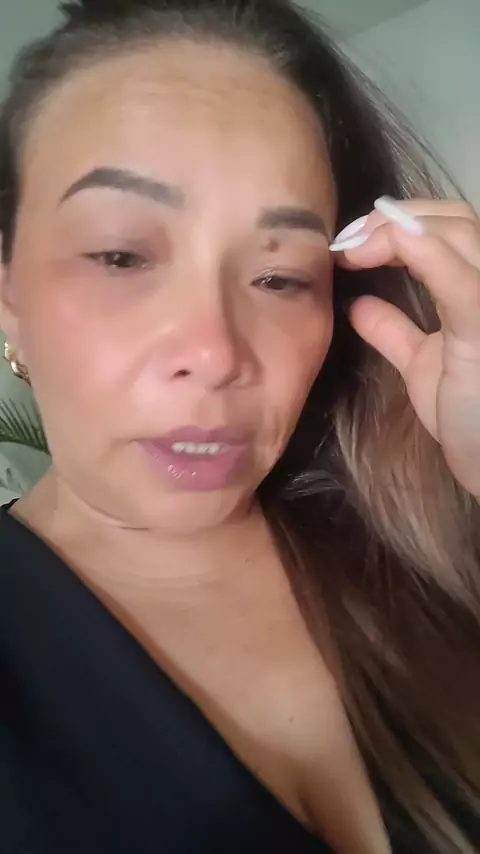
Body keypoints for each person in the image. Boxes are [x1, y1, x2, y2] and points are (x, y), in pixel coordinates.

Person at [0, 0, 479, 851]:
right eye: (120, 256)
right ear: (8, 297)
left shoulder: (424, 538)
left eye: (281, 277)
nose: (216, 353)